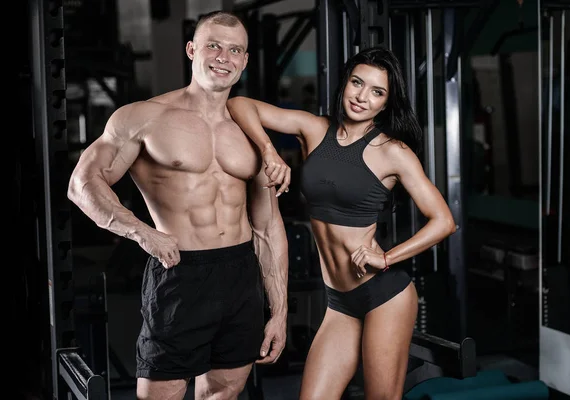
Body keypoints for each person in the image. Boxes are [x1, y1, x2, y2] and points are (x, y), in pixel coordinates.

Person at [67, 11, 289, 400]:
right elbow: (82, 183)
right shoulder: (145, 117)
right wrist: (141, 232)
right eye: (213, 46)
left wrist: (280, 311)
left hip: (241, 276)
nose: (224, 57)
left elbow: (268, 229)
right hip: (181, 275)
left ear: (245, 60)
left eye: (234, 50)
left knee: (224, 393)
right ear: (192, 50)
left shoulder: (250, 133)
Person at [227, 46, 456, 400]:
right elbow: (239, 105)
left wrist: (387, 258)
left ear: (386, 103)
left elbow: (443, 221)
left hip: (384, 296)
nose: (362, 97)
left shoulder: (392, 152)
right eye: (357, 83)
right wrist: (268, 150)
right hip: (339, 303)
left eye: (377, 92)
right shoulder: (315, 129)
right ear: (345, 83)